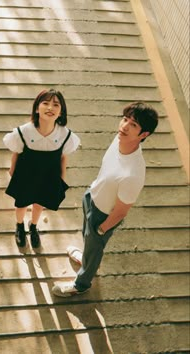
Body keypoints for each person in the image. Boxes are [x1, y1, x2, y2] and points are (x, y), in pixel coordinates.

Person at [52, 101, 158, 297]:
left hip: (103, 215)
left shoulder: (133, 173)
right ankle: (86, 258)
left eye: (133, 125)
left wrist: (101, 229)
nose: (124, 126)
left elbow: (121, 212)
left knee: (94, 246)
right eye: (125, 119)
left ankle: (81, 284)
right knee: (87, 238)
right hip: (92, 195)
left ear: (144, 135)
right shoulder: (119, 140)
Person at [3, 88, 80, 248]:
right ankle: (19, 226)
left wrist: (62, 177)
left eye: (56, 105)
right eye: (45, 103)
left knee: (39, 204)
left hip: (48, 176)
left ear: (61, 112)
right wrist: (12, 171)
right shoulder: (24, 131)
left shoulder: (64, 135)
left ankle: (33, 226)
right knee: (22, 204)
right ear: (37, 108)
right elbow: (16, 152)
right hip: (26, 174)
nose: (50, 108)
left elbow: (63, 157)